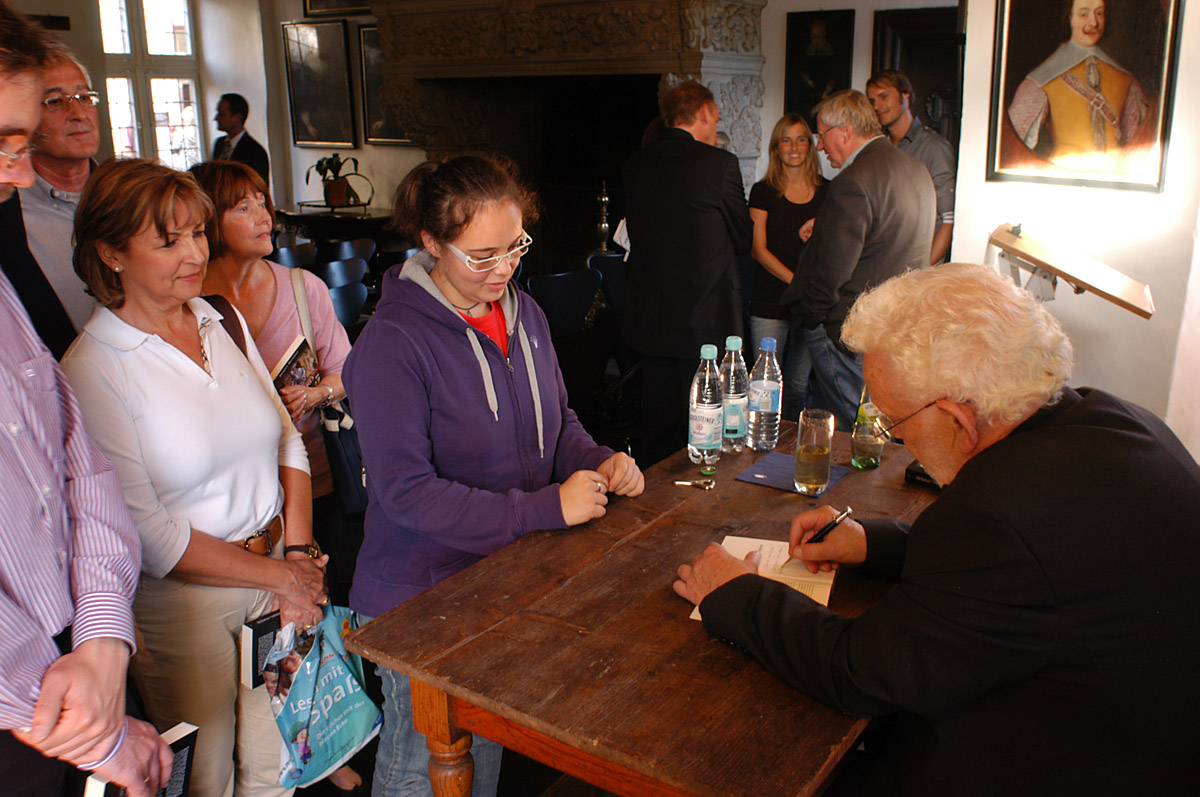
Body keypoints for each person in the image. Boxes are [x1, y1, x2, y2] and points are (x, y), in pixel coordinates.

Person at [674, 263, 1200, 795]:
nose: (894, 436)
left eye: (894, 422)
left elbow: (860, 671)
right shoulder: (1113, 418)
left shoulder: (997, 518)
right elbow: (1030, 576)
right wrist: (870, 544)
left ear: (959, 419)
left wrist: (735, 592)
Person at [344, 154, 645, 797]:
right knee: (423, 768)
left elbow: (557, 423)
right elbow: (404, 494)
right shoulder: (393, 343)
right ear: (430, 243)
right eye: (481, 255)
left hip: (496, 578)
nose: (503, 268)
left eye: (514, 247)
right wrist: (542, 510)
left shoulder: (523, 313)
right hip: (419, 597)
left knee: (479, 758)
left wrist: (598, 461)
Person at [61, 159, 328, 797]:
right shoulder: (94, 367)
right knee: (206, 776)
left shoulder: (219, 318)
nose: (193, 253)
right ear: (110, 253)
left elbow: (286, 438)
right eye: (168, 240)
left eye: (198, 234)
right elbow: (148, 532)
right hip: (186, 605)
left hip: (277, 571)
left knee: (277, 762)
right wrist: (284, 576)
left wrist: (295, 554)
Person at [0, 6, 171, 796]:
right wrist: (90, 734)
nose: (22, 170)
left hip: (85, 651)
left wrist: (103, 634)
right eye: (4, 140)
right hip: (31, 713)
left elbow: (75, 452)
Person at [190, 161, 353, 585]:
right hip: (236, 502)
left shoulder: (304, 287)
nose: (265, 217)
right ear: (207, 219)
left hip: (317, 482)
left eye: (263, 203)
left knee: (329, 603)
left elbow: (347, 373)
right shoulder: (188, 302)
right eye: (244, 208)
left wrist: (314, 396)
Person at [779, 89, 934, 432]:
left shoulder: (852, 181)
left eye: (821, 135)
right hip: (897, 327)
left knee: (866, 432)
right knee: (873, 429)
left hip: (851, 331)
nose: (819, 146)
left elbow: (831, 273)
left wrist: (814, 320)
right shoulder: (916, 169)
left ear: (845, 132)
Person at [621, 80, 752, 465]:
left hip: (653, 319)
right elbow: (742, 237)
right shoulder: (720, 164)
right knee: (707, 423)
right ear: (705, 113)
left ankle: (653, 508)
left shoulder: (635, 165)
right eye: (716, 117)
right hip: (706, 317)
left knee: (658, 428)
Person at [0, 40, 100, 356]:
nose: (78, 113)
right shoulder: (8, 218)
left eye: (85, 97)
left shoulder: (134, 198)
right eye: (55, 101)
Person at [1008, 0, 1150, 170]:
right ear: (1068, 18)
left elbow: (1140, 144)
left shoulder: (1126, 80)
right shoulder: (1041, 80)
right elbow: (1012, 146)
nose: (1094, 23)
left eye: (1099, 13)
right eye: (1084, 14)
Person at [748, 113, 826, 418]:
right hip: (771, 300)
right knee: (764, 383)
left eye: (801, 139)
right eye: (786, 140)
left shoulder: (828, 192)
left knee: (796, 383)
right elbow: (758, 250)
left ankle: (789, 448)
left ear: (810, 145)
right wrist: (797, 281)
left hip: (810, 303)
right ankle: (759, 448)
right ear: (776, 148)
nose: (794, 147)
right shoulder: (763, 191)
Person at [865, 70, 956, 265]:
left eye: (884, 96)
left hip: (919, 276)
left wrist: (919, 274)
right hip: (882, 267)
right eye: (872, 101)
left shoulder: (933, 148)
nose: (877, 106)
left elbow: (948, 222)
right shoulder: (879, 148)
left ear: (905, 95)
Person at [212, 92, 270, 187]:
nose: (216, 118)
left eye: (221, 114)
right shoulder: (219, 143)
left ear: (237, 117)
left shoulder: (255, 152)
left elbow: (259, 188)